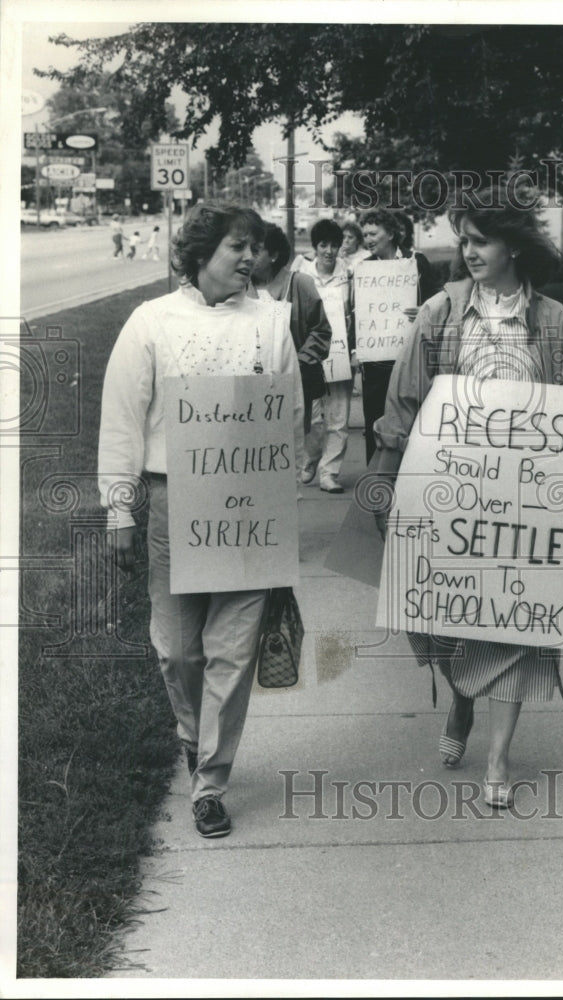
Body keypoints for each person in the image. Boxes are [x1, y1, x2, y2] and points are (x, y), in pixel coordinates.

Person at [371, 184, 563, 809]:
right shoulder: (440, 312)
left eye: (480, 240)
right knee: (440, 622)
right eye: (462, 240)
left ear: (513, 246)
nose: (467, 251)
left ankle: (498, 759)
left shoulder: (554, 321)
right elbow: (405, 399)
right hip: (445, 493)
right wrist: (386, 478)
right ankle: (463, 696)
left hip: (523, 499)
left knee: (517, 623)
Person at [98, 202, 303, 838]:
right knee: (178, 649)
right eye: (236, 247)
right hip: (172, 500)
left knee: (232, 649)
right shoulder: (152, 321)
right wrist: (118, 507)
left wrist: (277, 492)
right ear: (201, 253)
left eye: (255, 248)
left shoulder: (271, 322)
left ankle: (211, 781)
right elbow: (123, 417)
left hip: (246, 502)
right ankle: (193, 738)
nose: (250, 258)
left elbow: (288, 411)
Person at [249, 223, 332, 487]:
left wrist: (297, 362)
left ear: (273, 255)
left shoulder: (300, 284)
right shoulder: (239, 287)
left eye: (256, 250)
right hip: (252, 387)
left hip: (292, 384)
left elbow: (321, 331)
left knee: (287, 447)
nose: (248, 256)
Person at [357, 208, 441, 464]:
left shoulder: (417, 262)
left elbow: (438, 301)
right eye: (365, 235)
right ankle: (375, 474)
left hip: (410, 354)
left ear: (391, 233)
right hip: (375, 358)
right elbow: (359, 312)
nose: (368, 239)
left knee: (411, 414)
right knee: (374, 415)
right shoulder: (364, 269)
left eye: (373, 233)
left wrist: (424, 310)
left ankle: (408, 471)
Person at [293, 219, 356, 493]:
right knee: (313, 416)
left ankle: (329, 472)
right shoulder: (302, 273)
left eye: (334, 245)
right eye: (323, 245)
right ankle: (310, 458)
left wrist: (354, 351)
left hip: (340, 353)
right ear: (314, 246)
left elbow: (357, 314)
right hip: (311, 354)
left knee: (339, 417)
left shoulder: (350, 275)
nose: (329, 251)